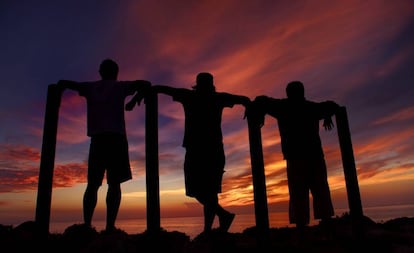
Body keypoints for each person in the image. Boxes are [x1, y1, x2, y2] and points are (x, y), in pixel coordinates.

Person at [126, 72, 251, 234]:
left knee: (207, 192)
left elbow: (243, 99)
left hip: (206, 150)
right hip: (204, 150)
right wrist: (138, 96)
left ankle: (210, 227)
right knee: (201, 191)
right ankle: (221, 218)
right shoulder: (208, 97)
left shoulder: (203, 97)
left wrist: (248, 106)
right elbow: (243, 99)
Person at [58, 58, 151, 232]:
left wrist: (60, 86)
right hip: (116, 140)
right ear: (116, 72)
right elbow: (146, 84)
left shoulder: (92, 87)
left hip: (99, 140)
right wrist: (134, 99)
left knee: (93, 184)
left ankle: (87, 224)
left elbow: (67, 83)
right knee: (113, 184)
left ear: (101, 72)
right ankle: (109, 227)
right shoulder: (120, 87)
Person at [249, 80, 340, 234]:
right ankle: (325, 227)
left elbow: (261, 100)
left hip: (297, 157)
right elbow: (332, 106)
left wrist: (260, 113)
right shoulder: (311, 108)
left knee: (301, 193)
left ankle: (303, 229)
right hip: (313, 156)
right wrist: (327, 116)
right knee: (319, 191)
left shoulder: (283, 107)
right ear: (302, 92)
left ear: (288, 93)